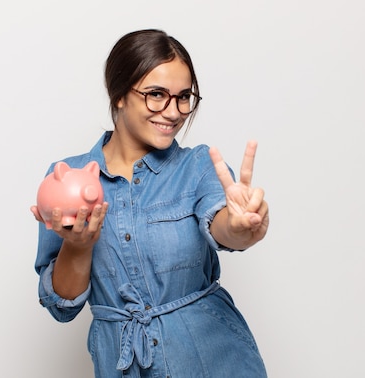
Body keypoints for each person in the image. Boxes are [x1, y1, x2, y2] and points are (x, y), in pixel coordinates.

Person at [32, 29, 270, 378]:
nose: (173, 112)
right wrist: (78, 247)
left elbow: (224, 227)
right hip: (122, 364)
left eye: (184, 97)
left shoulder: (198, 166)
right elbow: (61, 306)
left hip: (213, 358)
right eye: (156, 94)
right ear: (119, 95)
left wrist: (241, 226)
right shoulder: (66, 179)